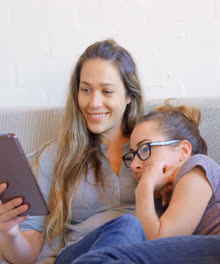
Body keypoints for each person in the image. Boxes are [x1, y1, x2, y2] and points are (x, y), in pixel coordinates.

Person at [53, 99, 220, 264]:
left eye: (144, 149)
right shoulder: (167, 199)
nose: (136, 164)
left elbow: (160, 242)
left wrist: (144, 189)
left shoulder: (197, 167)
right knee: (109, 246)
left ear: (183, 151)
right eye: (132, 156)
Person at [0, 39, 145, 264]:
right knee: (129, 224)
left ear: (129, 96)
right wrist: (7, 232)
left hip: (142, 255)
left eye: (107, 91)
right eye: (85, 90)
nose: (94, 103)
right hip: (77, 255)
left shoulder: (153, 148)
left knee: (133, 228)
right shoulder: (56, 155)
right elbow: (26, 255)